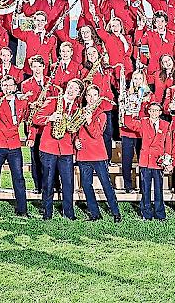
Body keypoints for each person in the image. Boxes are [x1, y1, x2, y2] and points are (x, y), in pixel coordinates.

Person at [33, 78, 85, 220]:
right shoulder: (53, 100)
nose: (71, 90)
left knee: (68, 182)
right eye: (70, 86)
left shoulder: (76, 109)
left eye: (75, 89)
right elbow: (36, 118)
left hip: (66, 150)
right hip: (48, 148)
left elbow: (74, 131)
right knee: (48, 181)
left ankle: (68, 213)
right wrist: (50, 118)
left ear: (78, 94)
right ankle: (47, 212)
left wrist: (76, 143)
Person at [0, 75, 29, 219]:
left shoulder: (22, 101)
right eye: (5, 85)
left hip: (14, 145)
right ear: (2, 87)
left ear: (15, 87)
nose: (8, 88)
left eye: (11, 85)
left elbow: (27, 116)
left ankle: (22, 210)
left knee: (19, 178)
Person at [75, 85, 122, 222]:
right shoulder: (80, 112)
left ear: (98, 97)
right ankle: (95, 214)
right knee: (87, 185)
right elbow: (75, 130)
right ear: (85, 97)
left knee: (106, 184)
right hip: (83, 153)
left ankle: (115, 212)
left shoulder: (101, 114)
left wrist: (89, 120)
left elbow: (96, 133)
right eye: (89, 95)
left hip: (97, 154)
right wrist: (76, 140)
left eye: (94, 95)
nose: (91, 98)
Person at [124, 101, 172, 221]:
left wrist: (167, 158)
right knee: (145, 188)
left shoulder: (166, 125)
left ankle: (160, 214)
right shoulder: (143, 122)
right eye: (152, 110)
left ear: (160, 112)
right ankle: (146, 214)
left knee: (158, 189)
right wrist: (129, 110)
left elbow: (168, 143)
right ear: (148, 111)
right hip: (145, 160)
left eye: (156, 110)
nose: (154, 112)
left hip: (158, 161)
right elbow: (129, 123)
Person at [21, 55, 54, 194]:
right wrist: (31, 104)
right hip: (32, 124)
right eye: (34, 66)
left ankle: (53, 186)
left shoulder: (50, 82)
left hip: (47, 124)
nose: (37, 69)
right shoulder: (25, 84)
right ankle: (38, 186)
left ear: (43, 67)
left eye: (39, 66)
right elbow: (24, 105)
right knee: (35, 157)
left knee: (50, 157)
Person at [81, 47, 116, 163]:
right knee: (96, 132)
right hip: (95, 108)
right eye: (89, 53)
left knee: (108, 133)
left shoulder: (106, 69)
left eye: (94, 52)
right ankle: (97, 159)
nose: (91, 55)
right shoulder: (85, 71)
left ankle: (107, 159)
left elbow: (113, 84)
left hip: (107, 106)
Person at [120, 70, 152, 192]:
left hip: (141, 131)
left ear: (143, 80)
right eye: (135, 78)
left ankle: (144, 186)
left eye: (140, 78)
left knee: (142, 160)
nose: (137, 81)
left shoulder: (148, 94)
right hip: (127, 130)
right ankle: (128, 186)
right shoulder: (126, 93)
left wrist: (145, 100)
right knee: (126, 160)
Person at [8, 10, 58, 77]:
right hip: (29, 69)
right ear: (34, 21)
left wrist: (54, 70)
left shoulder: (52, 38)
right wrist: (15, 19)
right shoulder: (28, 34)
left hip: (43, 70)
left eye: (42, 20)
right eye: (38, 20)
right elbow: (16, 32)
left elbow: (53, 57)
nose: (40, 23)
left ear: (46, 22)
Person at [134, 11, 175, 75]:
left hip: (168, 71)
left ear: (166, 22)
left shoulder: (173, 35)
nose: (160, 24)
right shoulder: (149, 34)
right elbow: (138, 43)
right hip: (153, 70)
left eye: (162, 21)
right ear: (155, 23)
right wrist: (141, 27)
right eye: (157, 21)